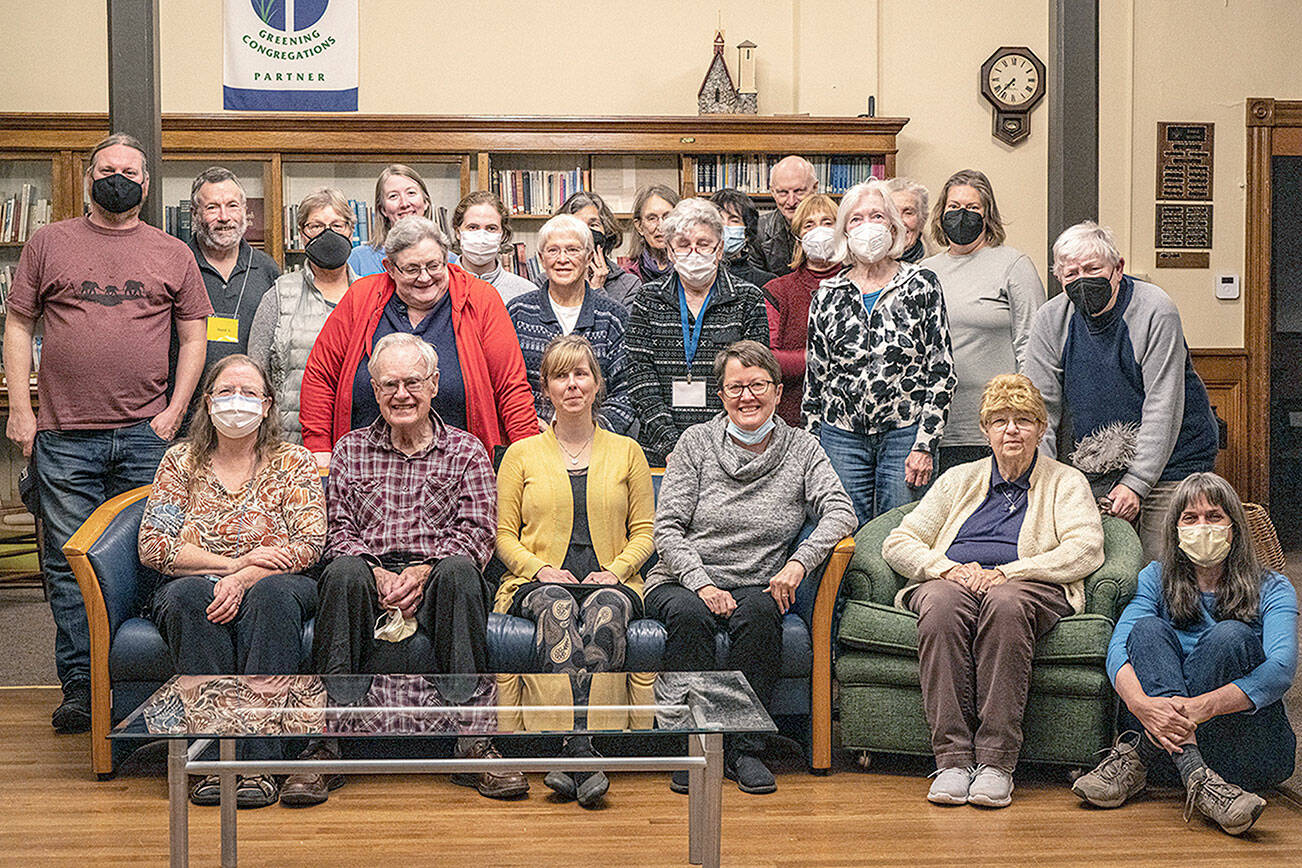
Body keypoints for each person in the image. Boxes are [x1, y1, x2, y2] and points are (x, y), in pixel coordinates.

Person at [3, 133, 212, 734]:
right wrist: (24, 408)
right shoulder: (50, 242)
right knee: (70, 567)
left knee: (150, 562)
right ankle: (82, 687)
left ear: (146, 186)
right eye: (107, 168)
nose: (117, 177)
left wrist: (174, 412)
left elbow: (193, 336)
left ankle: (147, 687)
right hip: (64, 435)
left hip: (147, 436)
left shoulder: (172, 252)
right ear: (89, 175)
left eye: (129, 171)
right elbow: (19, 326)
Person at [295, 333, 528, 802]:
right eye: (389, 385)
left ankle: (475, 745)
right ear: (375, 390)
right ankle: (324, 746)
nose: (401, 394)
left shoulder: (467, 451)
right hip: (367, 575)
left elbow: (478, 531)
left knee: (462, 572)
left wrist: (422, 572)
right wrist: (377, 574)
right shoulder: (349, 449)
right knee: (341, 572)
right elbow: (335, 529)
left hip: (441, 576)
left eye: (412, 382)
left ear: (435, 384)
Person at [881, 374, 1104, 808]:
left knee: (1004, 604)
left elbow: (1086, 548)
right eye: (1000, 420)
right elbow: (898, 541)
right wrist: (944, 569)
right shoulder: (957, 480)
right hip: (957, 579)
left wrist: (1010, 571)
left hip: (1027, 585)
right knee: (940, 605)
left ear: (1041, 429)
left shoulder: (1066, 482)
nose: (1011, 430)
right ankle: (952, 760)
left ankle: (997, 762)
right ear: (985, 431)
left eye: (1023, 420)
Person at [645, 340, 857, 795]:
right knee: (689, 616)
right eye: (735, 387)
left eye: (758, 385)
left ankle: (742, 749)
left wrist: (799, 563)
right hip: (683, 577)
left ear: (778, 392)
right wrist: (701, 584)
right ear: (720, 396)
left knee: (761, 615)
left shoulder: (802, 448)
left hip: (758, 581)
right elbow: (667, 528)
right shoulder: (696, 443)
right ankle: (693, 745)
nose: (747, 397)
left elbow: (841, 510)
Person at [139, 355, 326, 809]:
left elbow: (308, 545)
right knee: (189, 596)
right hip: (197, 582)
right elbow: (153, 546)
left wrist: (246, 578)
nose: (236, 402)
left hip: (278, 584)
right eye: (225, 392)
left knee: (272, 598)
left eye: (249, 393)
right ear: (207, 403)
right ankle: (210, 760)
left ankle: (261, 763)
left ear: (267, 406)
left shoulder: (293, 461)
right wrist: (236, 565)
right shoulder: (180, 461)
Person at [1073, 472, 1297, 836]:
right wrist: (1141, 705)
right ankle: (1197, 774)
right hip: (1164, 749)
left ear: (1234, 527)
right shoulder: (1155, 577)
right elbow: (1117, 648)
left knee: (1229, 636)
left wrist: (1199, 707)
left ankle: (1141, 756)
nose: (1202, 526)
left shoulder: (1272, 586)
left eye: (1214, 516)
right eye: (1190, 518)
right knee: (1146, 631)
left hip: (1242, 750)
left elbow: (1281, 668)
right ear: (1175, 530)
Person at [494, 335, 655, 806]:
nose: (572, 385)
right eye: (561, 376)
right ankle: (578, 746)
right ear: (546, 388)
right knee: (560, 606)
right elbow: (503, 535)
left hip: (613, 580)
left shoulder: (628, 452)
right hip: (537, 582)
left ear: (597, 383)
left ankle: (578, 750)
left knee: (605, 609)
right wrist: (539, 569)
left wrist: (618, 569)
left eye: (581, 374)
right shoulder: (520, 454)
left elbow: (646, 531)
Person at [1024, 221, 1217, 563]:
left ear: (1118, 269)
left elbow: (1163, 404)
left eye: (1093, 269)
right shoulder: (1050, 320)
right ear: (1059, 277)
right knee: (1103, 563)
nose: (1083, 279)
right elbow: (1040, 411)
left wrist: (1137, 483)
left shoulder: (1155, 309)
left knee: (1159, 569)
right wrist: (1047, 481)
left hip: (1174, 460)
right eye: (1072, 273)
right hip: (1098, 461)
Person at [300, 215, 537, 467]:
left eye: (434, 266)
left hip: (460, 471)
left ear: (447, 260)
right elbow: (320, 375)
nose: (425, 278)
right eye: (412, 269)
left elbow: (511, 386)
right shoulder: (361, 297)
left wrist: (529, 456)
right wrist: (318, 447)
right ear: (389, 268)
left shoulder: (480, 299)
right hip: (366, 471)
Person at [803, 179, 955, 526]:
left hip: (905, 432)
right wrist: (813, 451)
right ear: (843, 231)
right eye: (856, 219)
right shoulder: (828, 294)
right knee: (840, 534)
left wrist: (925, 444)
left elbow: (942, 371)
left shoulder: (921, 285)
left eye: (877, 216)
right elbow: (816, 381)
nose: (867, 225)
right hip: (841, 435)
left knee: (900, 532)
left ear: (893, 225)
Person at [625, 197, 769, 464]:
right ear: (669, 250)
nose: (693, 253)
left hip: (731, 449)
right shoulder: (647, 299)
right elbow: (640, 377)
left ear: (720, 248)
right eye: (683, 245)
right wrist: (672, 446)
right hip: (660, 450)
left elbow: (754, 380)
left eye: (703, 244)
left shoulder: (748, 298)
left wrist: (716, 444)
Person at [921, 170, 1045, 474]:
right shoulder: (925, 271)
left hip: (998, 427)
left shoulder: (1014, 265)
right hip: (937, 428)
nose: (961, 215)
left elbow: (1033, 343)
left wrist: (1022, 414)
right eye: (953, 207)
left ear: (987, 214)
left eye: (972, 208)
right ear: (941, 212)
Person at [247, 188, 357, 443]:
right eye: (316, 226)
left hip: (355, 442)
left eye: (337, 225)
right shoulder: (279, 295)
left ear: (351, 230)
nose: (328, 234)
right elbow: (255, 374)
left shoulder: (368, 295)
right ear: (301, 233)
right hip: (288, 442)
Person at [507, 214, 634, 434]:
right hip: (532, 442)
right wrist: (531, 428)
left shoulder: (612, 317)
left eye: (573, 250)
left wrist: (591, 431)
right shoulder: (518, 313)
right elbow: (506, 385)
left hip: (597, 446)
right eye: (553, 250)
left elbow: (627, 390)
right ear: (541, 258)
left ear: (589, 257)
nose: (562, 259)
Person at [186, 167, 280, 375]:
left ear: (245, 210)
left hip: (249, 399)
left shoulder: (267, 269)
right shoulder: (178, 265)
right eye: (212, 207)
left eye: (232, 206)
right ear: (194, 213)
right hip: (187, 403)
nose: (224, 217)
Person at [763, 193, 839, 426]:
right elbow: (767, 358)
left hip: (849, 421)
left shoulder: (860, 286)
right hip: (792, 417)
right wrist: (817, 359)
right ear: (798, 236)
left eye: (828, 223)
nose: (819, 231)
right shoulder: (777, 291)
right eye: (809, 224)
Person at [529, 191, 642, 310]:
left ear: (607, 232)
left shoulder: (628, 285)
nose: (586, 233)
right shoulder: (544, 281)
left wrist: (596, 292)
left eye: (593, 225)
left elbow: (623, 327)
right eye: (577, 225)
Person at [346, 164, 435, 277]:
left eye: (411, 193)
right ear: (382, 209)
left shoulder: (448, 260)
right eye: (393, 196)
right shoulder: (358, 259)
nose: (404, 203)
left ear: (426, 202)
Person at [448, 190, 535, 305]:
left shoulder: (526, 293)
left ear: (503, 234)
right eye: (473, 227)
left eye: (491, 228)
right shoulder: (438, 287)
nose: (481, 236)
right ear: (458, 232)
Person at [751, 155, 818, 276]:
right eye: (783, 192)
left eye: (799, 191)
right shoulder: (758, 231)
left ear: (815, 188)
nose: (791, 201)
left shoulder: (836, 227)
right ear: (772, 192)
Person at [710, 188, 777, 290]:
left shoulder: (766, 282)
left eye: (734, 221)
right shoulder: (701, 277)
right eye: (719, 220)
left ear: (747, 232)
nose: (725, 226)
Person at [622, 184, 680, 284]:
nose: (661, 226)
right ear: (639, 226)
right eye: (652, 218)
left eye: (668, 217)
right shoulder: (627, 275)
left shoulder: (691, 269)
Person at [883, 176, 930, 263]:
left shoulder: (934, 268)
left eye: (908, 213)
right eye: (893, 212)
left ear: (922, 221)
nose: (899, 222)